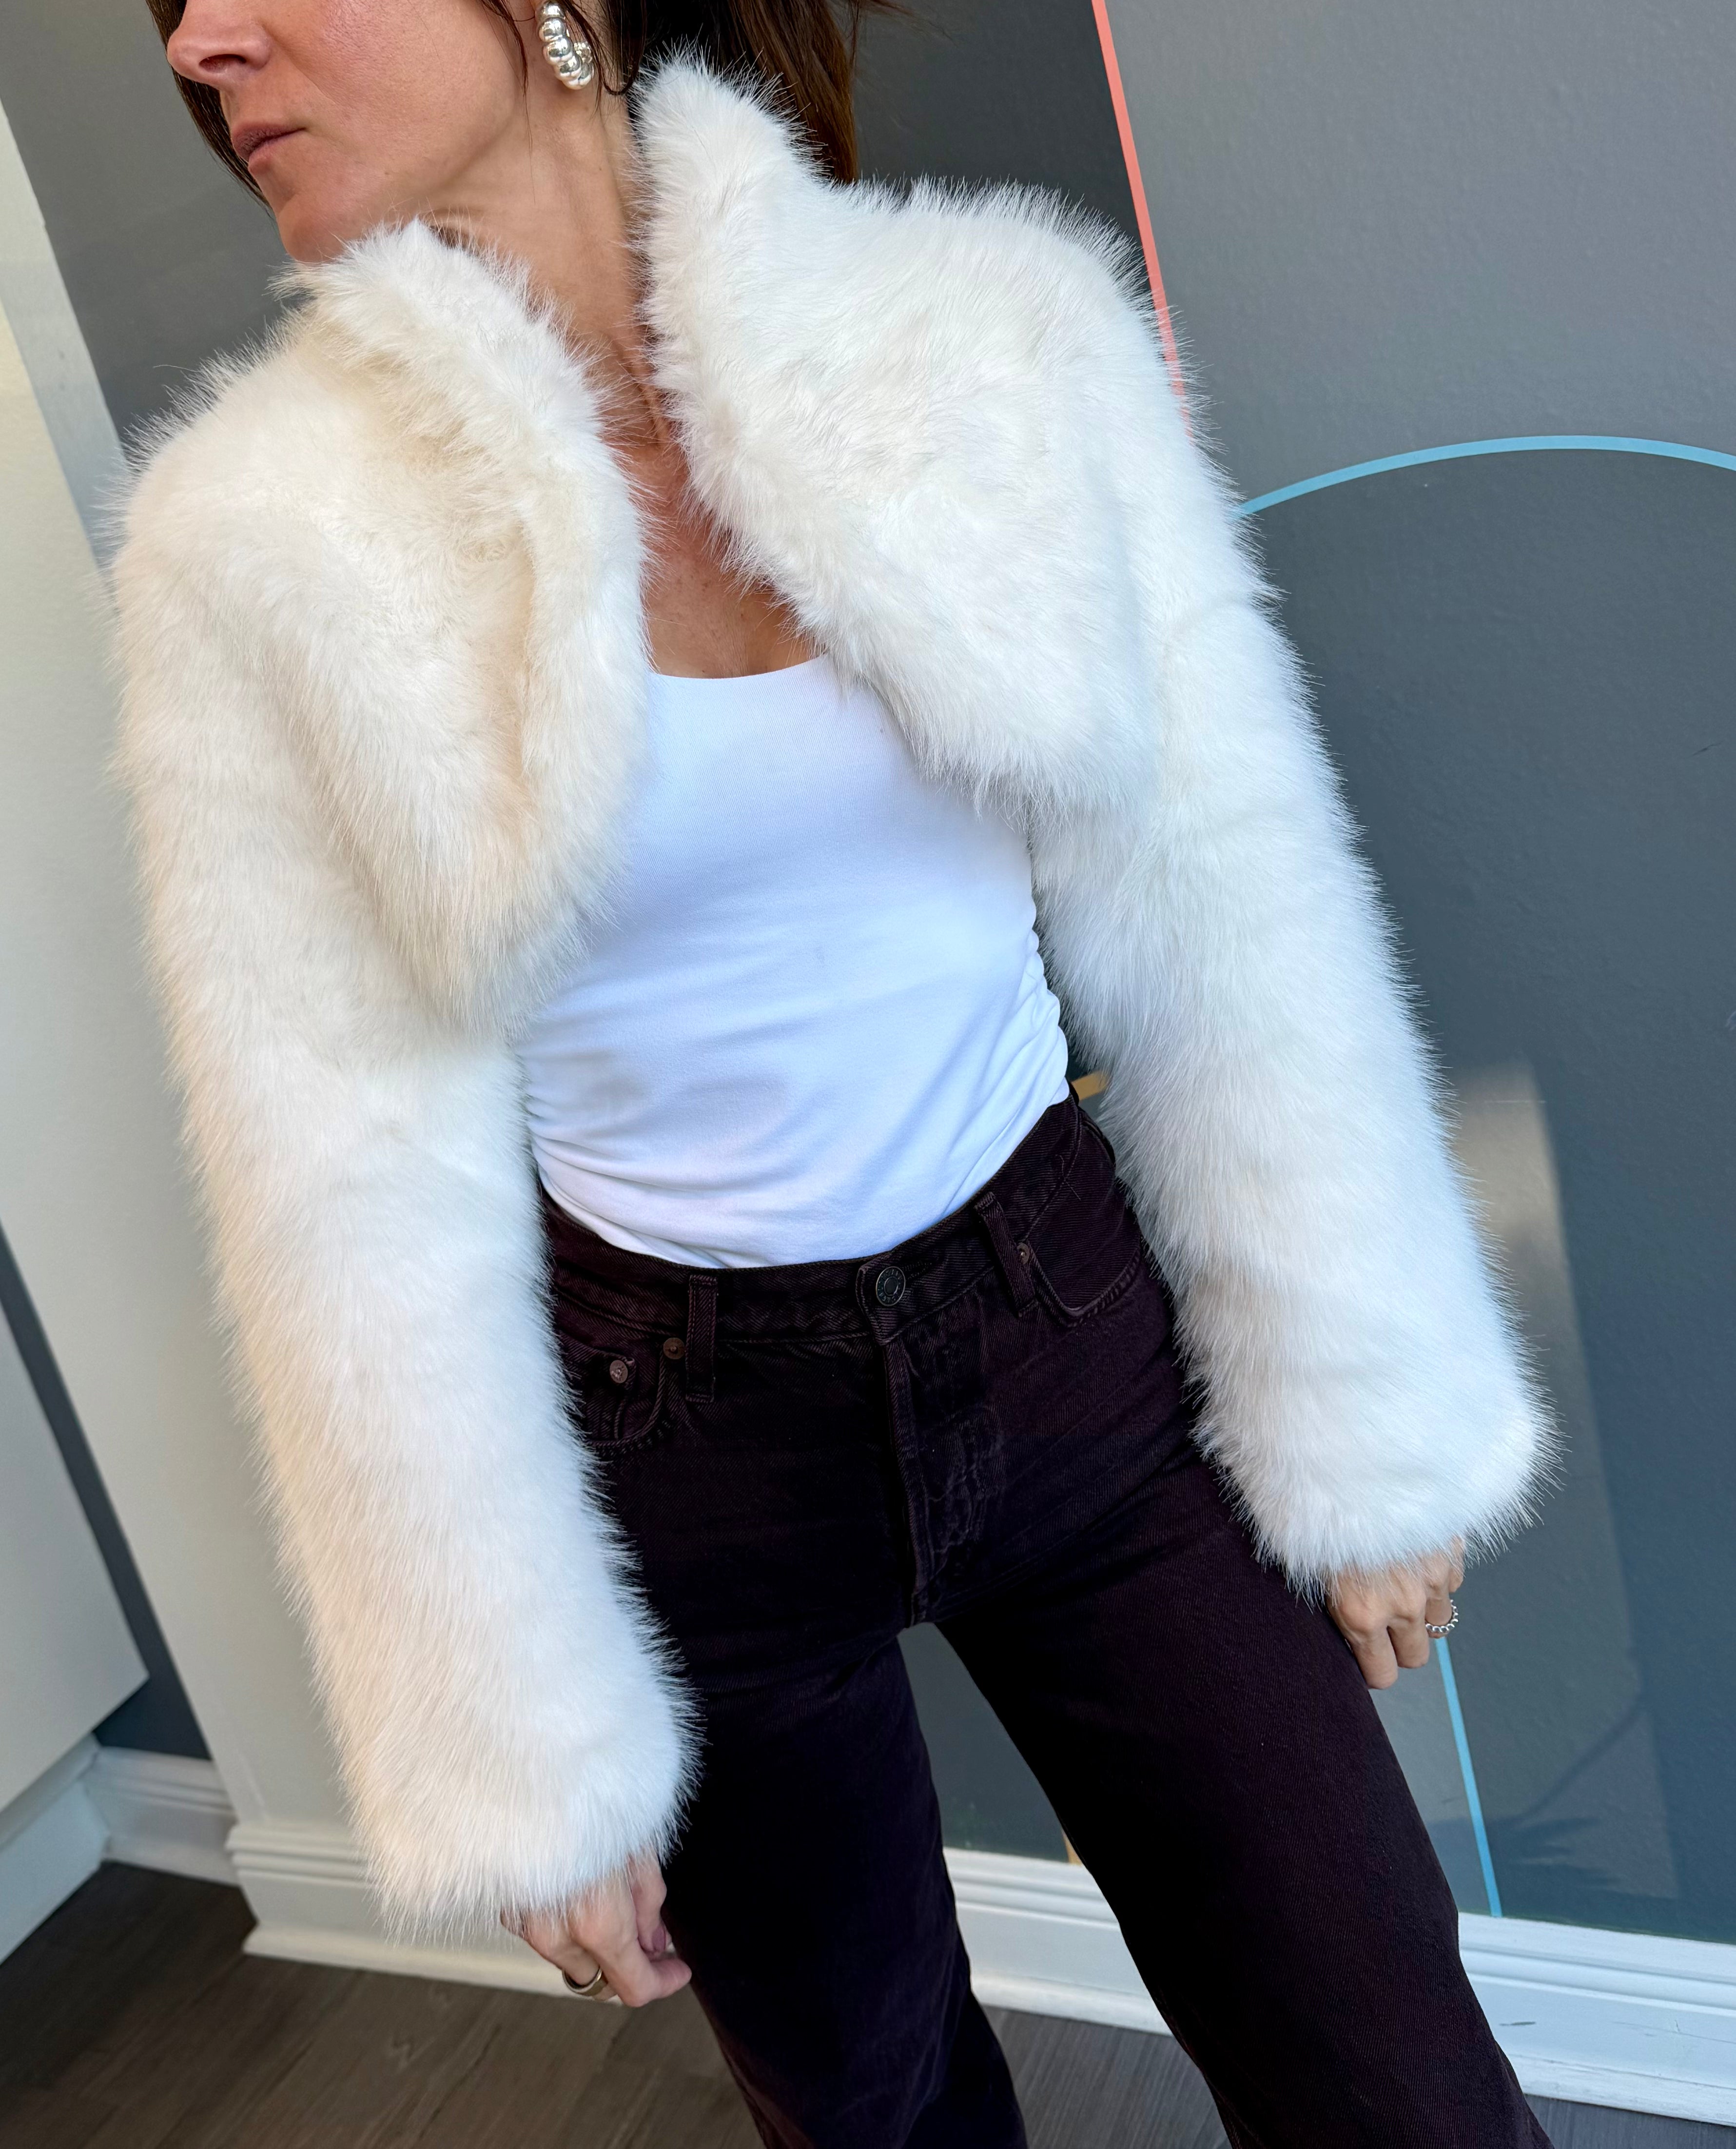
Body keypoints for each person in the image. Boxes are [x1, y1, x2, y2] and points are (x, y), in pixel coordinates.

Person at [116, 1, 1554, 2141]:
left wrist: (1371, 1399)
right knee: (871, 2111)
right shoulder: (254, 534)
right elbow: (333, 1168)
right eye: (166, 7)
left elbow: (1227, 887)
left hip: (1072, 1339)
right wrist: (508, 1727)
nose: (203, 44)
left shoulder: (992, 334)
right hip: (680, 1440)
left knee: (1393, 2075)